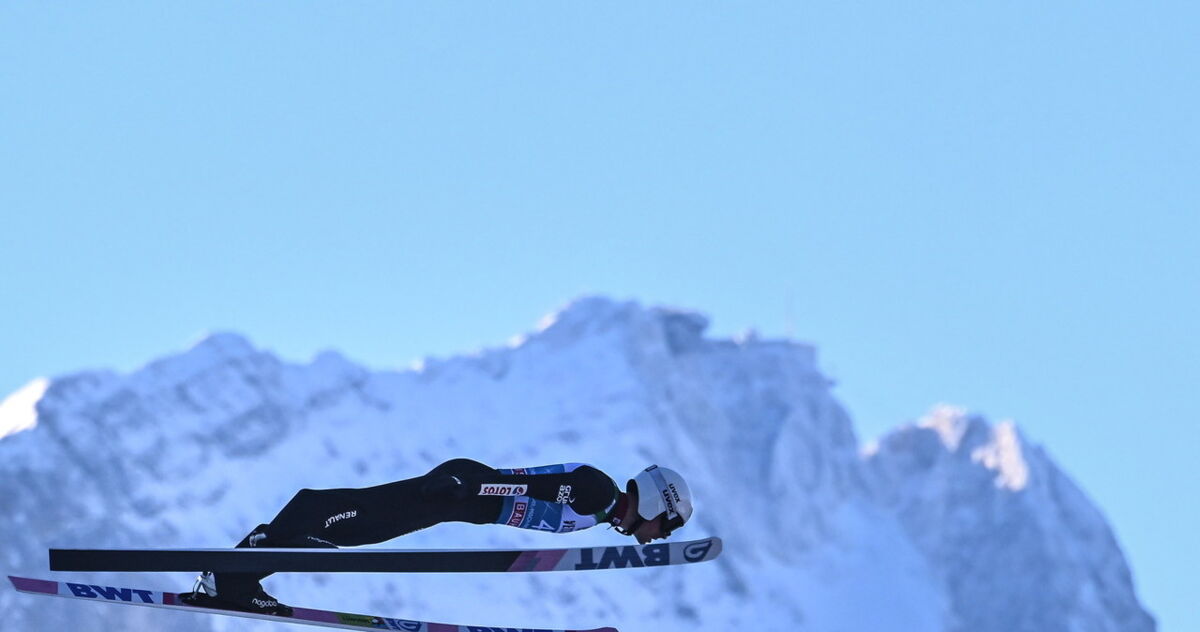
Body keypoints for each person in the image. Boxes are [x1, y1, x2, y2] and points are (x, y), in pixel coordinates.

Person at [182, 458, 694, 616]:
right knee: (359, 522)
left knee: (352, 521)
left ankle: (234, 574)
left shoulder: (599, 508)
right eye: (662, 526)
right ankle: (235, 570)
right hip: (456, 490)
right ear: (655, 503)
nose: (653, 536)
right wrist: (468, 486)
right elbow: (530, 484)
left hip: (460, 498)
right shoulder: (597, 492)